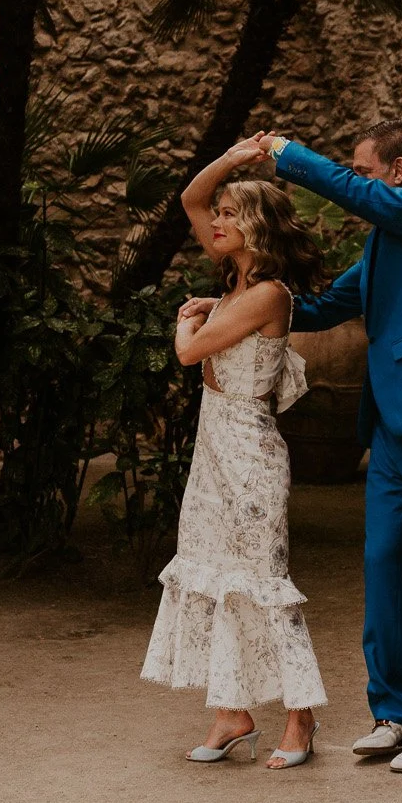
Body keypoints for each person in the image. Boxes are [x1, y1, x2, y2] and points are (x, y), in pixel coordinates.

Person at [251, 120, 402, 774]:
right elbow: (325, 306)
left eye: (363, 171)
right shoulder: (384, 244)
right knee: (386, 566)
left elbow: (370, 202)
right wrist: (241, 307)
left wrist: (287, 154)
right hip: (389, 426)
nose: (357, 183)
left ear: (397, 171)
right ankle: (393, 712)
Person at [140, 141, 327, 769]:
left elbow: (190, 354)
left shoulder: (269, 293)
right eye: (218, 214)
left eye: (230, 214)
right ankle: (232, 712)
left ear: (257, 228)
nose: (215, 221)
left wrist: (185, 319)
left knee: (262, 581)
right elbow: (189, 197)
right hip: (212, 448)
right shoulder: (234, 281)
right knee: (214, 571)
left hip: (249, 451)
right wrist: (232, 157)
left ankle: (300, 719)